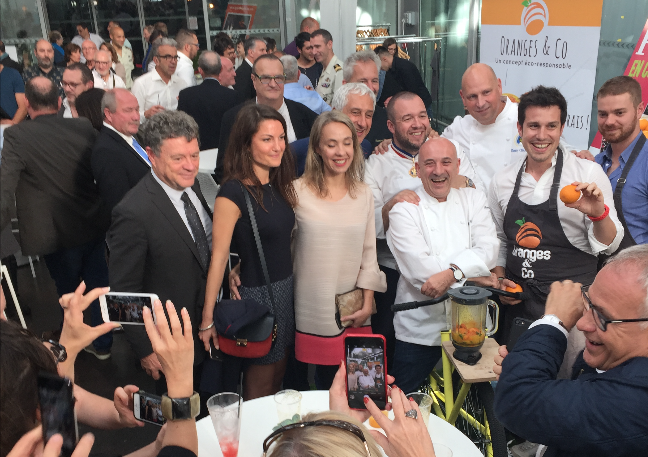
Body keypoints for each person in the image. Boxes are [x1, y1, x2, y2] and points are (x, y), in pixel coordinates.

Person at [489, 85, 624, 345]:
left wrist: (598, 215)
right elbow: (500, 240)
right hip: (520, 311)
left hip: (574, 314)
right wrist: (501, 280)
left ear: (562, 129)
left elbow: (610, 246)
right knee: (520, 380)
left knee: (568, 382)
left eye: (551, 126)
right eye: (533, 126)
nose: (542, 135)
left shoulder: (587, 174)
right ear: (520, 129)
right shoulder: (502, 180)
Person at [493, 245, 648, 457]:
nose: (583, 324)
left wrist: (554, 321)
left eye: (602, 317)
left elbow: (516, 401)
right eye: (588, 303)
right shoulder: (622, 360)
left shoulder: (634, 402)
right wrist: (525, 372)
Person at [0, 77, 112, 358]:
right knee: (98, 284)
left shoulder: (16, 136)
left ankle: (79, 340)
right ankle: (103, 343)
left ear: (26, 103)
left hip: (53, 232)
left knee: (69, 292)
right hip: (92, 221)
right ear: (59, 101)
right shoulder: (83, 126)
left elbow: (5, 187)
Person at [107, 111, 212, 398]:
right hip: (169, 344)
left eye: (194, 155)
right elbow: (123, 292)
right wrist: (145, 350)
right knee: (177, 418)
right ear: (151, 155)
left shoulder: (196, 187)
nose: (190, 166)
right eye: (178, 158)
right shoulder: (133, 212)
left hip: (205, 330)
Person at [279, 111, 385, 390]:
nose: (341, 152)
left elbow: (369, 255)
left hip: (352, 312)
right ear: (317, 148)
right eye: (331, 144)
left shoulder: (363, 193)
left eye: (347, 143)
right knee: (299, 393)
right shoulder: (295, 192)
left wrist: (367, 305)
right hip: (304, 312)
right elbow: (277, 244)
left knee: (356, 394)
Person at [386, 137, 498, 393]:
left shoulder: (474, 199)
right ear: (417, 167)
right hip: (418, 329)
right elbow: (422, 275)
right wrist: (476, 277)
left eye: (446, 162)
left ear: (457, 166)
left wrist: (452, 273)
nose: (438, 171)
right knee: (403, 400)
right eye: (429, 163)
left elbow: (489, 251)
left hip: (470, 327)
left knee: (478, 406)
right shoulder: (404, 209)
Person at [201, 104, 297, 400]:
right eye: (267, 139)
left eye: (281, 137)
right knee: (259, 387)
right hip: (257, 297)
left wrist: (239, 265)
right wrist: (207, 320)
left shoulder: (278, 183)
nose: (278, 146)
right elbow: (219, 256)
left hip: (284, 292)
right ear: (246, 144)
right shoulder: (232, 193)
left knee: (278, 378)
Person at [365, 92, 460, 373]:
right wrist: (392, 204)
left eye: (421, 116)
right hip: (394, 274)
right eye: (407, 119)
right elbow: (368, 225)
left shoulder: (446, 152)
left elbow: (469, 191)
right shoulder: (376, 164)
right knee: (391, 351)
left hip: (448, 269)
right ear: (391, 127)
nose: (417, 124)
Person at [215, 54, 318, 183]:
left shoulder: (305, 115)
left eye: (279, 78)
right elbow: (223, 169)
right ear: (253, 80)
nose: (273, 84)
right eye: (266, 78)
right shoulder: (234, 118)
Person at [594, 76, 648, 247]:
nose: (609, 121)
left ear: (639, 110)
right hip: (598, 269)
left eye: (619, 113)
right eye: (603, 114)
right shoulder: (596, 163)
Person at [291, 82, 375, 176]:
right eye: (355, 112)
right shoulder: (297, 151)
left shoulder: (366, 148)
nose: (362, 123)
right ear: (335, 112)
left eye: (368, 115)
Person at [91, 89, 150, 213]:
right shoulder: (106, 151)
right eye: (128, 110)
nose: (136, 116)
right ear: (108, 114)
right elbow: (119, 205)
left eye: (137, 109)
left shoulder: (134, 136)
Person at [177, 51, 243, 152]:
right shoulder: (233, 96)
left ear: (200, 70)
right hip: (225, 152)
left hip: (197, 152)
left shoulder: (186, 95)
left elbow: (181, 128)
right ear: (220, 69)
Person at [343, 51, 391, 149]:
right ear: (345, 84)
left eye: (374, 81)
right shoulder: (333, 122)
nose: (370, 87)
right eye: (362, 82)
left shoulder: (388, 120)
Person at [131, 38, 188, 120]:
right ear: (156, 60)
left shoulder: (181, 84)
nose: (173, 61)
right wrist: (146, 114)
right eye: (168, 57)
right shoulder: (141, 84)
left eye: (175, 57)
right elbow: (133, 116)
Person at [375, 46, 433, 119]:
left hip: (422, 106)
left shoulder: (405, 67)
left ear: (384, 59)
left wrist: (394, 99)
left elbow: (413, 91)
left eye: (378, 64)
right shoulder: (391, 69)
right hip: (410, 106)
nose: (379, 68)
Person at [312, 29, 343, 106]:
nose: (314, 52)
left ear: (329, 44)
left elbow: (338, 107)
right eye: (312, 47)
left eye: (317, 46)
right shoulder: (324, 69)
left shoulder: (339, 71)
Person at [234, 37, 267, 101]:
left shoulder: (254, 69)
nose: (265, 53)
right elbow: (245, 100)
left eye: (266, 50)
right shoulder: (242, 74)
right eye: (262, 50)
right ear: (251, 53)